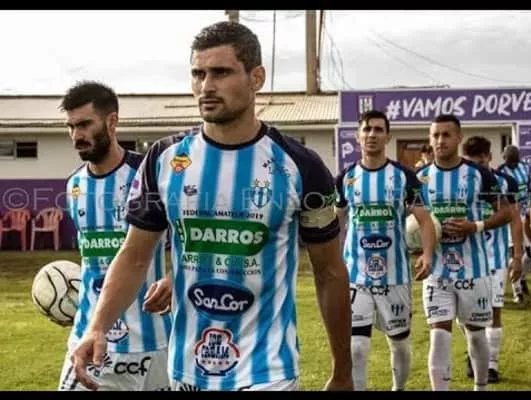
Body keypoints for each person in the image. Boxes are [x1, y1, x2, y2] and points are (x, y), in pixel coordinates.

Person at [70, 21, 353, 392]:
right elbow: (135, 256)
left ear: (256, 78)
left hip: (268, 370)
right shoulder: (164, 160)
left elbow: (329, 271)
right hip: (186, 370)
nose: (206, 86)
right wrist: (98, 326)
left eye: (220, 72)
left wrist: (343, 371)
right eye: (198, 74)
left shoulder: (301, 166)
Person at [58, 81, 173, 391]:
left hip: (152, 343)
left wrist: (174, 276)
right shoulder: (74, 186)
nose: (76, 135)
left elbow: (191, 238)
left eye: (85, 124)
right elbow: (90, 261)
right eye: (71, 127)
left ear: (111, 122)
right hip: (90, 337)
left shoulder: (149, 175)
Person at [335, 109, 437, 391]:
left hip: (395, 276)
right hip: (356, 276)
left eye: (379, 129)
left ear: (388, 136)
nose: (372, 135)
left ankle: (398, 388)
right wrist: (334, 260)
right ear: (357, 136)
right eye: (367, 129)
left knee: (400, 344)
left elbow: (425, 220)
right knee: (356, 347)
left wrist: (427, 254)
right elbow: (336, 221)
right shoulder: (346, 178)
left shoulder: (405, 177)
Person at [416, 114, 512, 391]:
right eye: (435, 135)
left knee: (476, 336)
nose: (440, 141)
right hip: (437, 272)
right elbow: (413, 221)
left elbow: (506, 212)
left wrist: (475, 226)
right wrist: (422, 249)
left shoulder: (479, 174)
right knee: (439, 336)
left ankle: (481, 387)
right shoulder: (419, 178)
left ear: (458, 137)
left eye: (446, 135)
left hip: (475, 270)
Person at [461, 136, 523, 383]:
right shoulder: (460, 181)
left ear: (489, 157)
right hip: (466, 258)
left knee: (494, 311)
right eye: (471, 162)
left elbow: (515, 220)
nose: (476, 167)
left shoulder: (505, 182)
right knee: (466, 315)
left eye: (480, 162)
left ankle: (492, 365)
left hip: (495, 259)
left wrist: (517, 256)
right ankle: (474, 351)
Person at [497, 145, 531, 303]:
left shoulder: (525, 168)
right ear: (504, 159)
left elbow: (530, 188)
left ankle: (521, 277)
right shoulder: (500, 172)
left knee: (528, 252)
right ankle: (517, 292)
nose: (513, 165)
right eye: (510, 163)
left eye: (515, 162)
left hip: (527, 214)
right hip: (511, 217)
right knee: (515, 252)